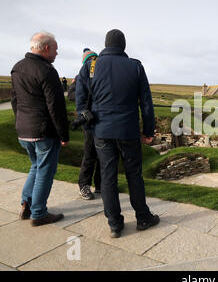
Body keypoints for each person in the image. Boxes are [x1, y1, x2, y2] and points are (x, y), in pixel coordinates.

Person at [76, 29, 159, 238]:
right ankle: (142, 217)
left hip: (102, 131)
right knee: (134, 175)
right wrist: (148, 131)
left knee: (108, 176)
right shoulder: (135, 66)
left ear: (105, 45)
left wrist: (88, 127)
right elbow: (146, 103)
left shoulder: (90, 66)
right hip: (128, 131)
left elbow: (80, 100)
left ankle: (114, 223)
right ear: (123, 45)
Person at [10, 31, 69, 226]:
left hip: (24, 130)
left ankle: (26, 204)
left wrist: (21, 121)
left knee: (35, 166)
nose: (57, 53)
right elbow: (56, 107)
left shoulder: (17, 68)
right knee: (45, 171)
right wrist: (63, 134)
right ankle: (38, 213)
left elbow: (14, 100)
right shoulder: (47, 70)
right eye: (55, 49)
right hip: (43, 132)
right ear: (46, 48)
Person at [74, 48, 101, 200]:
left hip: (92, 120)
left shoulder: (87, 70)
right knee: (91, 154)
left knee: (94, 155)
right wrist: (84, 113)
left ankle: (96, 185)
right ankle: (85, 185)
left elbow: (79, 97)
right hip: (91, 120)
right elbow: (79, 96)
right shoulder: (84, 72)